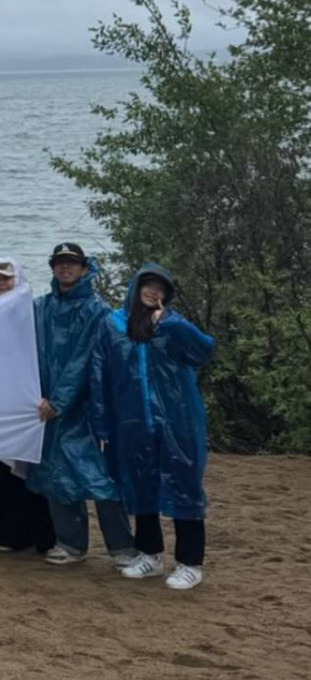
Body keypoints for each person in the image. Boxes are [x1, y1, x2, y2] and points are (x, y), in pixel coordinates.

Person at [91, 264, 215, 590]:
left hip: (177, 421)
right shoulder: (113, 325)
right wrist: (101, 425)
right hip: (131, 423)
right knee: (140, 487)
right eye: (148, 285)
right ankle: (150, 555)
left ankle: (190, 563)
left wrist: (171, 324)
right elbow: (99, 375)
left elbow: (204, 351)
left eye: (160, 288)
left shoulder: (173, 325)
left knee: (185, 489)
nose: (153, 292)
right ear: (136, 287)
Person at [30, 243, 135, 566]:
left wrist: (60, 400)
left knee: (101, 478)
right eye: (60, 263)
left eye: (72, 263)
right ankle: (71, 544)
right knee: (56, 476)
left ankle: (122, 547)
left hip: (87, 408)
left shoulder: (96, 310)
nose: (66, 268)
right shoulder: (41, 307)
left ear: (84, 268)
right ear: (52, 268)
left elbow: (84, 359)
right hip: (46, 406)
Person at [0, 257, 56, 553]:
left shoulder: (34, 311)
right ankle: (11, 535)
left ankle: (43, 537)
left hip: (29, 402)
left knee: (31, 470)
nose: (1, 284)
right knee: (3, 469)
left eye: (6, 278)